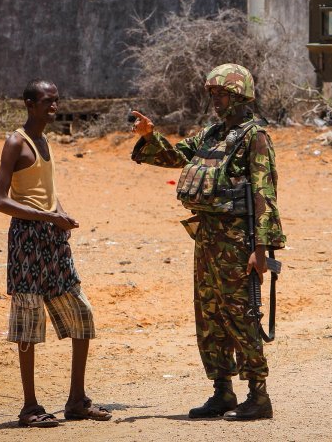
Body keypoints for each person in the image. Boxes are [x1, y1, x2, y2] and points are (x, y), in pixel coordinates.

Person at [130, 63, 286, 421]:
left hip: (238, 241)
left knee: (240, 314)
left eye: (222, 94)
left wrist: (260, 250)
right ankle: (222, 390)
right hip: (207, 237)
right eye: (213, 94)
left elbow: (265, 193)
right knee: (209, 314)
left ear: (240, 96)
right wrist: (149, 136)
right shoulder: (212, 134)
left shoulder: (255, 136)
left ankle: (258, 395)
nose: (216, 100)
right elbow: (175, 157)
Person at [0, 79, 110, 428]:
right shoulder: (17, 142)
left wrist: (60, 214)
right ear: (29, 104)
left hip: (52, 239)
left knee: (82, 315)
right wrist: (47, 216)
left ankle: (76, 401)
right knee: (28, 323)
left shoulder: (45, 141)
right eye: (47, 101)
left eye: (56, 101)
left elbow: (45, 191)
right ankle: (29, 407)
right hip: (27, 240)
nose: (54, 107)